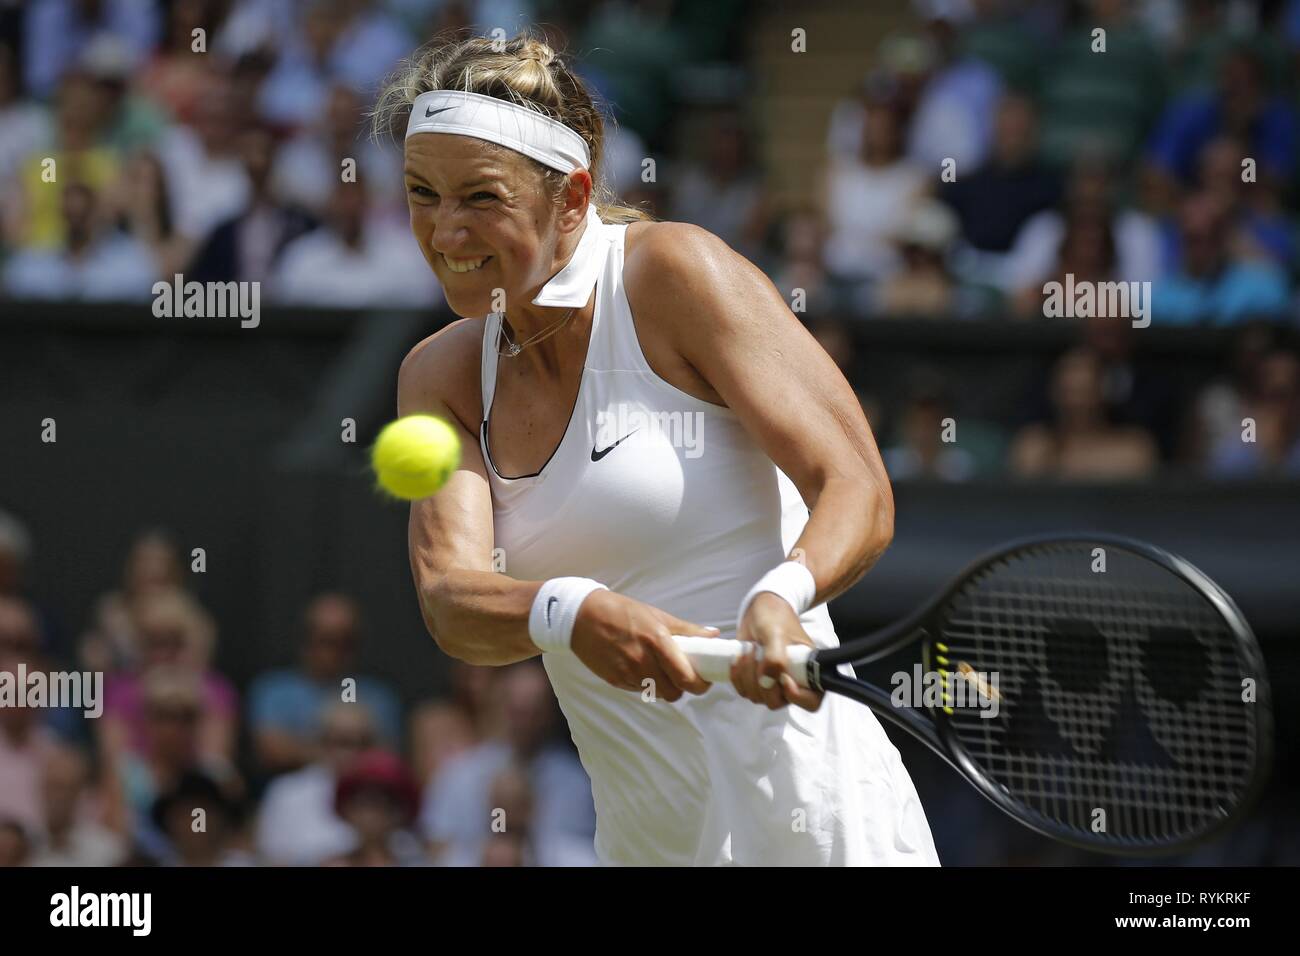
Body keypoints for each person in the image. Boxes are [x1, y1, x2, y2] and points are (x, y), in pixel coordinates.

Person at [380, 30, 938, 866]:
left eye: (480, 197)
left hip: (823, 830)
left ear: (571, 198)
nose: (446, 231)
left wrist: (782, 595)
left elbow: (855, 485)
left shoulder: (676, 275)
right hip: (650, 844)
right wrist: (567, 608)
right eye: (423, 194)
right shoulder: (440, 375)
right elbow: (453, 601)